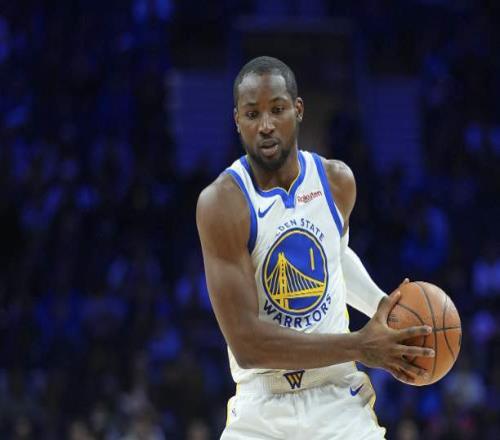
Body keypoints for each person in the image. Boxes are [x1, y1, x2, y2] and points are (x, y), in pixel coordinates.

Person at [196, 56, 434, 439]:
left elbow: (334, 258)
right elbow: (248, 345)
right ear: (237, 120)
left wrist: (388, 313)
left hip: (337, 397)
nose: (266, 125)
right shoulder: (222, 203)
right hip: (262, 407)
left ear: (298, 109)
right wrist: (360, 346)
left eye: (277, 109)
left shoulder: (336, 182)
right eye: (253, 114)